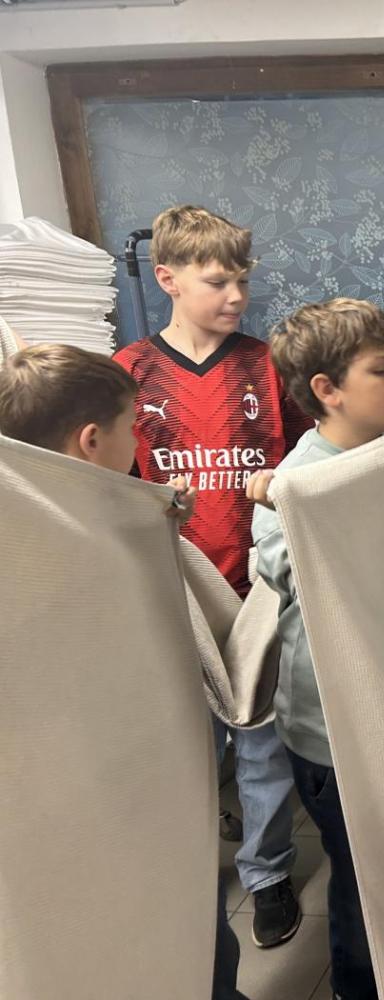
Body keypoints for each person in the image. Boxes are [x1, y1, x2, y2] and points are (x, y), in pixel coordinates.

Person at [0, 343, 249, 1000]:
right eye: (131, 428)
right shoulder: (93, 554)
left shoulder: (50, 535)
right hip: (132, 785)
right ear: (91, 441)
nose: (138, 444)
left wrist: (156, 525)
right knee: (182, 919)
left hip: (72, 809)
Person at [113, 205, 310, 948]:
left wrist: (282, 495)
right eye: (217, 282)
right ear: (166, 279)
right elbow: (108, 478)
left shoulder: (266, 366)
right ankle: (189, 873)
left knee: (262, 741)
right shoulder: (130, 372)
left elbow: (305, 461)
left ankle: (267, 873)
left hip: (257, 584)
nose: (236, 296)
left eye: (242, 282)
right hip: (175, 587)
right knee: (184, 745)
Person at [247, 298, 384, 1000]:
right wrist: (289, 506)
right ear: (327, 389)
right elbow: (303, 576)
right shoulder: (298, 484)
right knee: (366, 886)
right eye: (382, 368)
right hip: (333, 734)